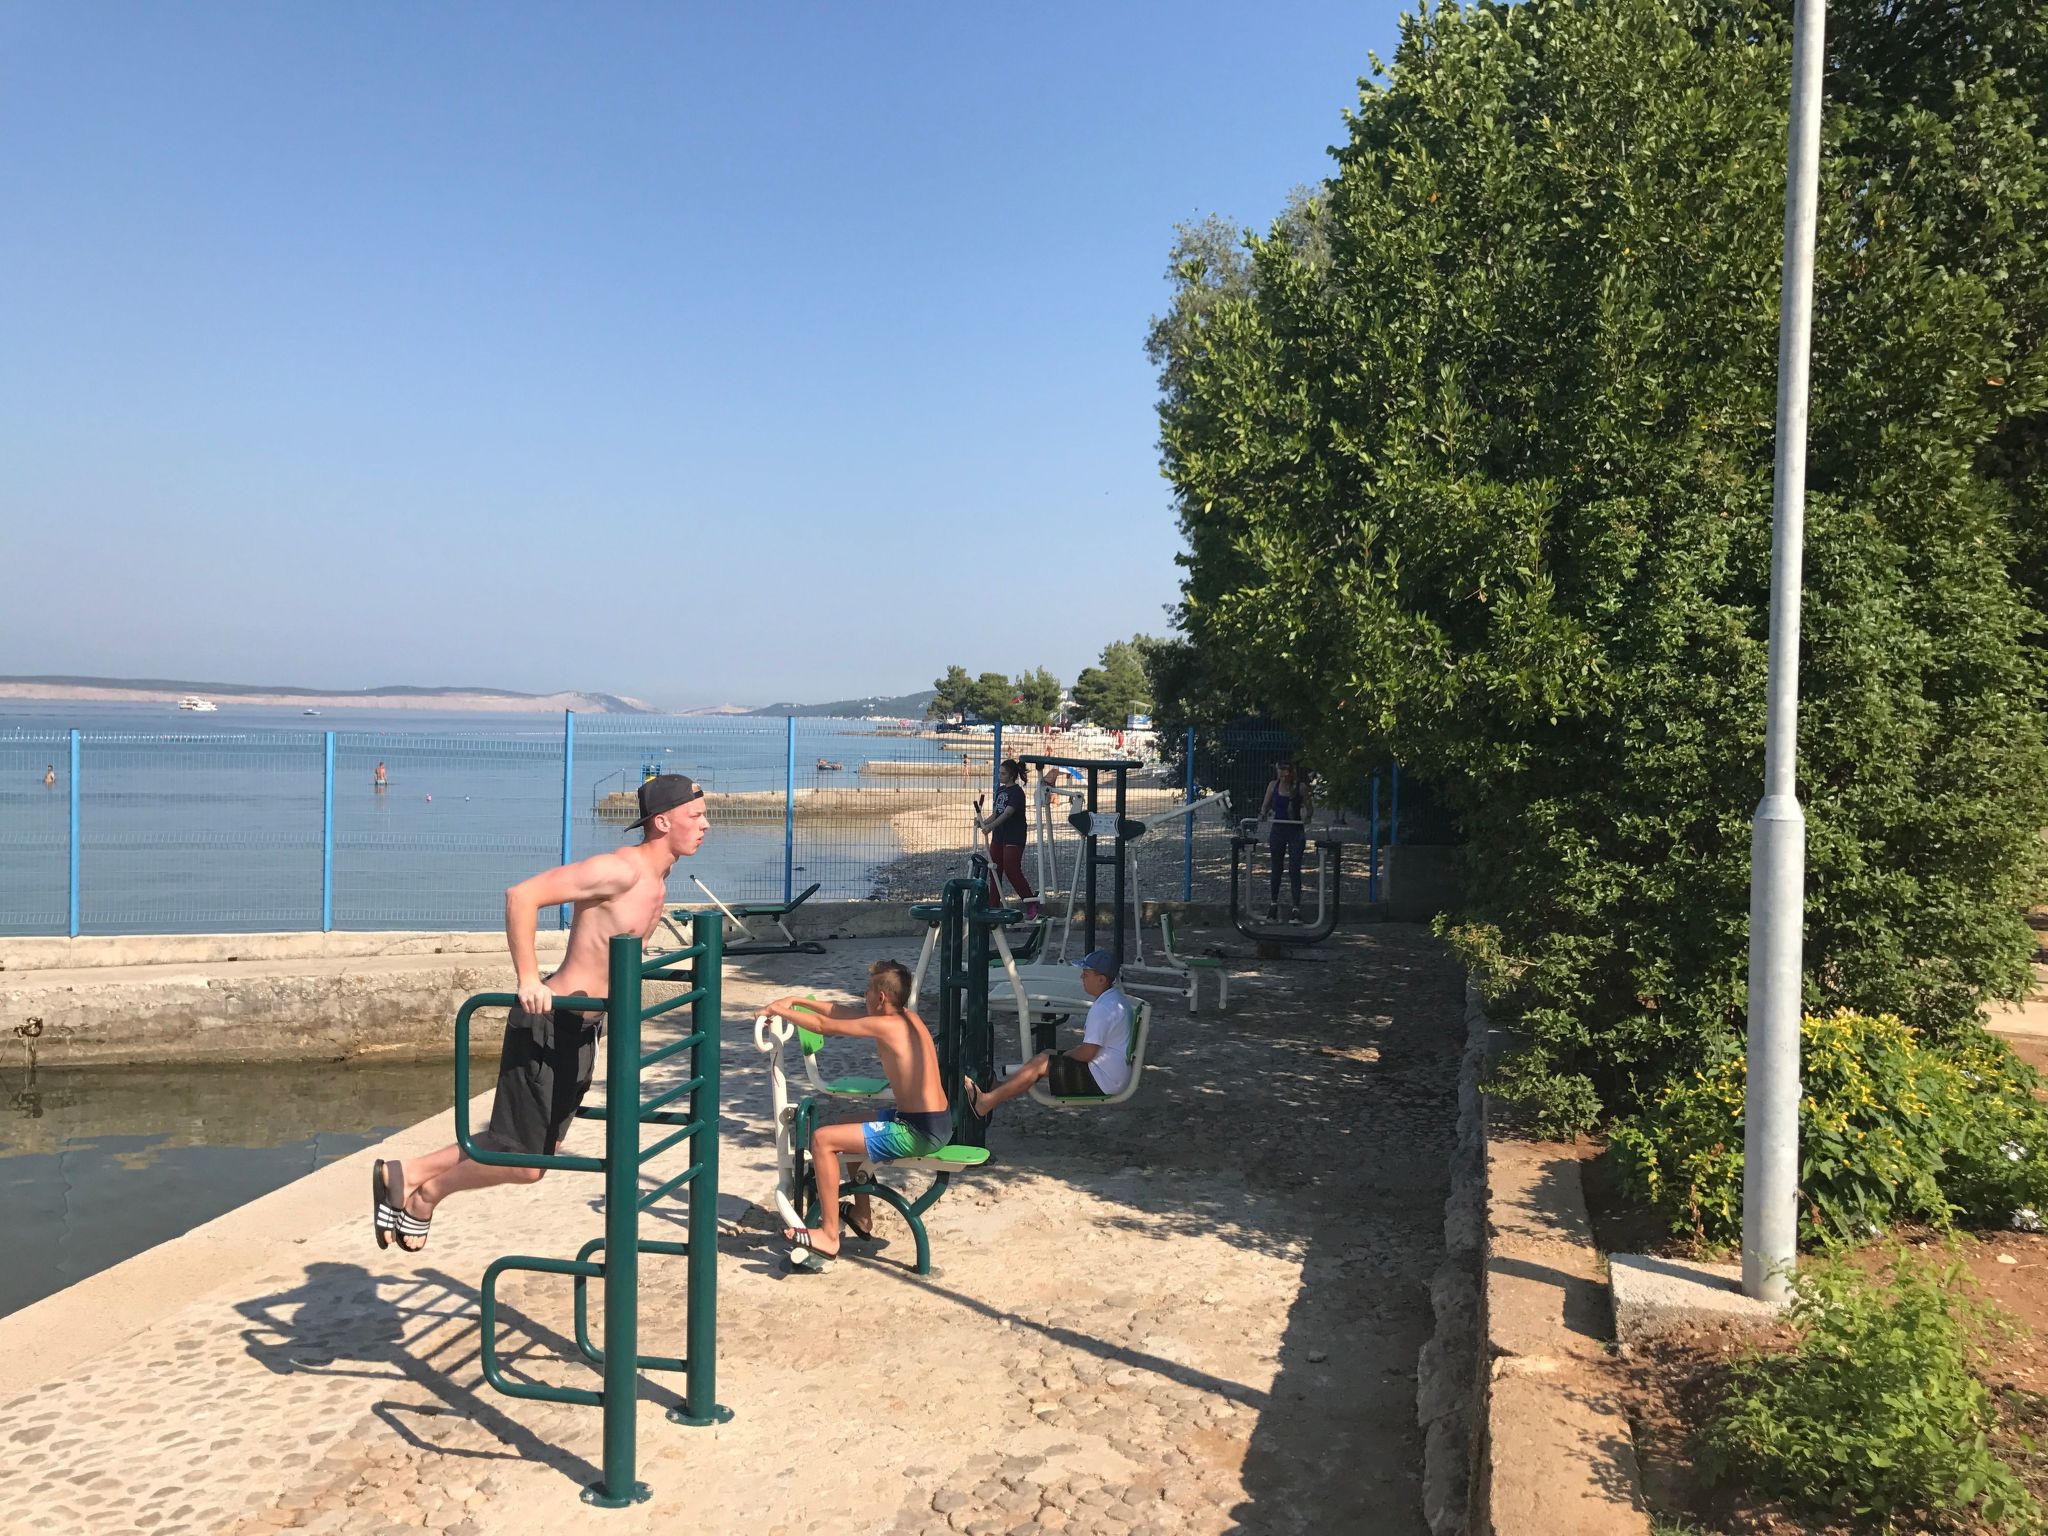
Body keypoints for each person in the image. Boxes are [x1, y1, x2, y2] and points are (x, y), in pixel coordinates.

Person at [370, 774, 709, 1253]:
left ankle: (412, 1181)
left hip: (585, 1029)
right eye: (695, 816)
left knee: (521, 1144)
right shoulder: (619, 870)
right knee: (528, 1164)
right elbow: (521, 896)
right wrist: (528, 979)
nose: (705, 825)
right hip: (552, 1023)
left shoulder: (660, 874)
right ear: (662, 821)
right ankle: (422, 1187)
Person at [763, 959, 952, 1259]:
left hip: (916, 1131)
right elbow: (840, 1013)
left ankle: (828, 1235)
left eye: (867, 991)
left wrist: (776, 1010)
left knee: (824, 1140)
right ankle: (862, 1216)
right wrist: (796, 1001)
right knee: (847, 1124)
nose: (863, 996)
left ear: (880, 997)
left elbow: (826, 1025)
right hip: (933, 1121)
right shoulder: (907, 1019)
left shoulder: (887, 1026)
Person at [963, 949, 1131, 1113]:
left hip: (1102, 1080)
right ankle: (999, 1089)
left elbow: (1087, 1053)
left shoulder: (1102, 1009)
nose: (1081, 977)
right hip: (1112, 1075)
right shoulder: (1114, 999)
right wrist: (1060, 1056)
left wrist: (1063, 1057)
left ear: (1101, 979)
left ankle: (986, 1103)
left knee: (1042, 1062)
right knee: (1046, 1054)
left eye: (1086, 974)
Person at [973, 758, 1039, 920]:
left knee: (1012, 870)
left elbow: (1008, 813)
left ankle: (1030, 902)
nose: (999, 776)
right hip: (999, 836)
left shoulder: (1017, 792)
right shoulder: (1001, 790)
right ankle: (993, 905)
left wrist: (990, 826)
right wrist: (983, 822)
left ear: (1011, 776)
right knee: (994, 870)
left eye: (1003, 774)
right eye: (999, 773)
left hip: (1014, 836)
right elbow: (997, 812)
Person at [1260, 762, 1313, 923]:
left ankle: (1296, 908)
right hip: (1278, 830)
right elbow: (1265, 806)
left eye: (1285, 773)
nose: (1283, 776)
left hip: (1295, 831)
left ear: (1291, 773)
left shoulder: (1300, 787)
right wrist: (1262, 814)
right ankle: (1273, 905)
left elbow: (1309, 809)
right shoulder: (1273, 786)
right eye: (1280, 773)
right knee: (1276, 867)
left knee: (1294, 869)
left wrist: (1307, 817)